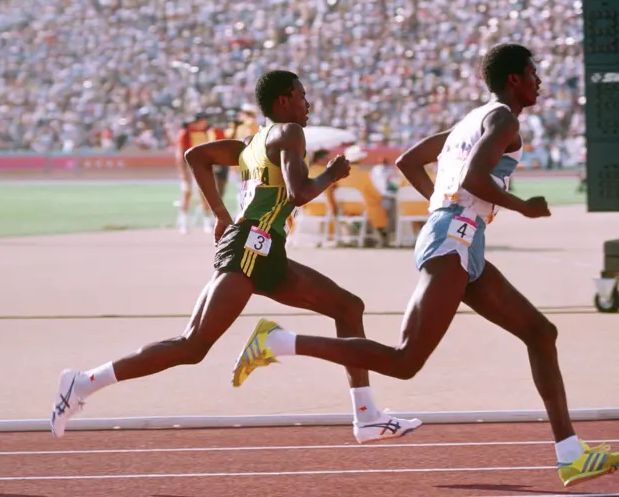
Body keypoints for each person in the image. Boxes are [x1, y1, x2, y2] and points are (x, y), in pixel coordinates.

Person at [232, 45, 619, 488]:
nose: (539, 80)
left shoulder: (470, 122)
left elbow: (408, 160)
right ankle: (279, 341)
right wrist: (518, 206)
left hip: (460, 236)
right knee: (404, 361)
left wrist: (442, 203)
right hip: (454, 237)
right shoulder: (503, 120)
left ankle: (570, 454)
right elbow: (473, 178)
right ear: (514, 79)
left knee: (540, 332)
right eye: (533, 72)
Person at [50, 70, 422, 444]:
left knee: (347, 307)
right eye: (302, 96)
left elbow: (196, 156)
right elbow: (298, 193)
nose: (307, 104)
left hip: (264, 249)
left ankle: (366, 415)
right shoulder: (289, 133)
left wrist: (220, 214)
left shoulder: (251, 143)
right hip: (250, 247)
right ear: (284, 101)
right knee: (192, 345)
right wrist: (332, 174)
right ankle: (83, 384)